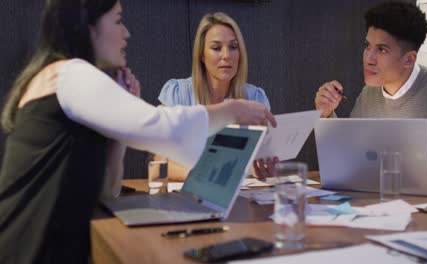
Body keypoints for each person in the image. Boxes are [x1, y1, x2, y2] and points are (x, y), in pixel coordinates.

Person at [0, 1, 276, 263]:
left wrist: (119, 131)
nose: (126, 33)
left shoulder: (67, 77)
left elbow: (109, 189)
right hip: (33, 247)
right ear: (88, 25)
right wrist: (231, 110)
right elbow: (161, 129)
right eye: (118, 21)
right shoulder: (71, 73)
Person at [315, 1, 427, 188]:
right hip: (383, 207)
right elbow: (349, 162)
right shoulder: (369, 95)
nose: (368, 58)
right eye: (367, 45)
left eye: (381, 49)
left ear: (409, 59)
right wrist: (326, 114)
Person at [155, 12, 275, 181]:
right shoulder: (177, 93)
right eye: (216, 48)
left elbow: (263, 158)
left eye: (233, 47)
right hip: (190, 194)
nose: (226, 55)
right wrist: (208, 175)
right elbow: (159, 164)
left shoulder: (256, 97)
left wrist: (260, 169)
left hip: (243, 195)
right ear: (202, 56)